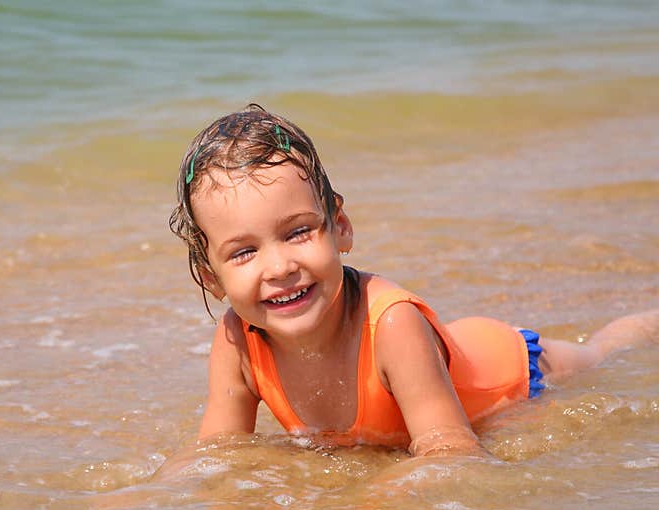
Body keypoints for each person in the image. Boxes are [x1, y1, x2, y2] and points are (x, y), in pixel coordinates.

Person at [162, 103, 658, 469]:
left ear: (341, 227)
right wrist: (148, 493)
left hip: (507, 370)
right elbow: (218, 450)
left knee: (603, 354)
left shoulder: (393, 324)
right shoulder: (238, 341)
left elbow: (452, 450)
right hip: (448, 349)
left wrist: (379, 492)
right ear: (212, 278)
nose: (279, 266)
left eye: (297, 232)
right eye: (244, 252)